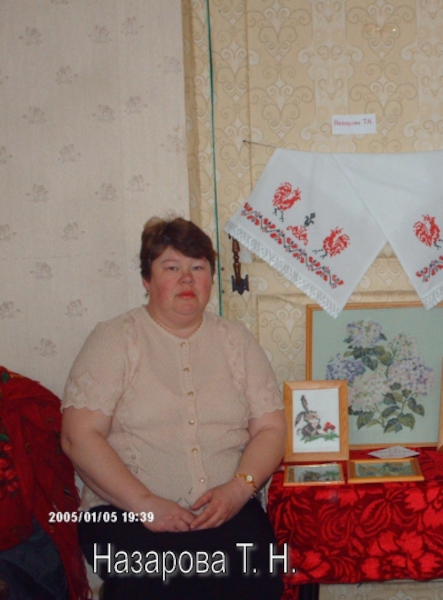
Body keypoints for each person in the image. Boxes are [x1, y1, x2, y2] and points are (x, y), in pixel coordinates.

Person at [60, 217, 286, 599]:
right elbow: (78, 437)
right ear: (146, 280)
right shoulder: (113, 339)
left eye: (198, 268)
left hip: (227, 510)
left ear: (210, 279)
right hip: (125, 513)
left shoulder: (237, 340)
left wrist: (238, 490)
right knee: (158, 580)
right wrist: (145, 504)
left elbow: (271, 429)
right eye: (171, 267)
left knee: (256, 571)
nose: (186, 279)